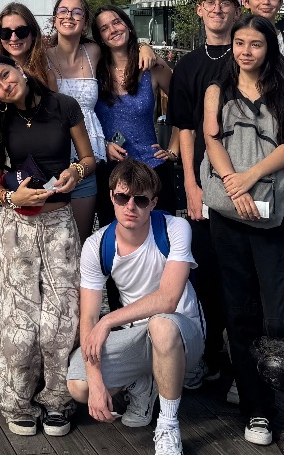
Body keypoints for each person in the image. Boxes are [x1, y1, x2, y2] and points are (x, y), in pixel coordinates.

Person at [201, 14, 284, 447]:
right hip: (229, 215)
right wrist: (233, 183)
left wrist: (250, 178)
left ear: (270, 50)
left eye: (255, 44)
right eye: (239, 43)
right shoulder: (217, 90)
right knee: (240, 312)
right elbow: (212, 139)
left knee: (281, 312)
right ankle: (256, 408)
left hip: (275, 214)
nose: (246, 51)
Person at [0, 53, 95, 438]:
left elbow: (89, 159)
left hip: (59, 220)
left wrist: (76, 171)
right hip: (16, 226)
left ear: (20, 70)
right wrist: (11, 200)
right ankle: (17, 400)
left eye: (6, 75)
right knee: (16, 320)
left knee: (61, 318)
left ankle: (58, 400)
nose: (5, 86)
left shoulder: (64, 106)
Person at [66, 160, 204, 455]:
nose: (131, 206)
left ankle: (167, 425)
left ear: (153, 203)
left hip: (182, 331)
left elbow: (167, 299)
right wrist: (96, 381)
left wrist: (108, 322)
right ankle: (143, 380)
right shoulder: (96, 245)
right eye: (122, 197)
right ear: (111, 197)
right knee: (79, 386)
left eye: (140, 200)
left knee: (161, 324)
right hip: (137, 335)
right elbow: (89, 316)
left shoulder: (175, 228)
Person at [164, 0, 242, 391]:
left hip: (247, 182)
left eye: (225, 2)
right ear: (199, 10)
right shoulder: (189, 65)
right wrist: (191, 187)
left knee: (243, 276)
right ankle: (209, 354)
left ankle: (242, 364)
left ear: (237, 10)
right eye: (209, 2)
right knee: (206, 275)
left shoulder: (251, 56)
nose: (217, 9)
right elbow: (185, 130)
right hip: (203, 185)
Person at [92, 4, 177, 219]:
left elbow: (185, 107)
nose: (113, 30)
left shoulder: (152, 67)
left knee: (161, 240)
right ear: (100, 37)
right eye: (104, 28)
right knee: (116, 243)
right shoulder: (93, 69)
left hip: (153, 169)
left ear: (128, 25)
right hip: (112, 174)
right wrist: (101, 145)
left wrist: (173, 150)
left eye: (117, 22)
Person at [47, 0, 104, 239]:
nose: (69, 16)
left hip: (88, 155)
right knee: (54, 238)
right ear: (54, 18)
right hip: (55, 155)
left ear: (85, 21)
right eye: (63, 11)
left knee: (81, 239)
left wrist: (145, 48)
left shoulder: (94, 52)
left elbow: (126, 45)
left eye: (76, 12)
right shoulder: (42, 56)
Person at [0, 2, 56, 88]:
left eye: (21, 31)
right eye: (6, 32)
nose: (13, 38)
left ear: (33, 34)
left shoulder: (46, 76)